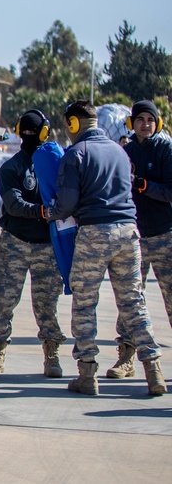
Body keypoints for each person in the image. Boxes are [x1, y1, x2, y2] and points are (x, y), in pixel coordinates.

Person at [44, 100, 165, 396]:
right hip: (129, 232)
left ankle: (87, 374)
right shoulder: (120, 152)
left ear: (73, 124)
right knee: (133, 302)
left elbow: (67, 204)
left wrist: (49, 212)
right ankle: (154, 371)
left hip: (94, 234)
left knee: (85, 304)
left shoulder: (76, 154)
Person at [0, 110, 67, 378]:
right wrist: (43, 212)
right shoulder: (13, 168)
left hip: (46, 245)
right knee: (4, 300)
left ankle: (52, 354)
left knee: (46, 304)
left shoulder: (57, 164)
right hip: (15, 242)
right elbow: (14, 205)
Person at [106, 100, 172, 381]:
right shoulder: (126, 152)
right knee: (130, 299)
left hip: (165, 235)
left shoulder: (165, 149)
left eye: (150, 119)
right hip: (134, 237)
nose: (145, 124)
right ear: (132, 123)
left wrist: (144, 185)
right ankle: (126, 357)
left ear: (157, 123)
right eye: (140, 119)